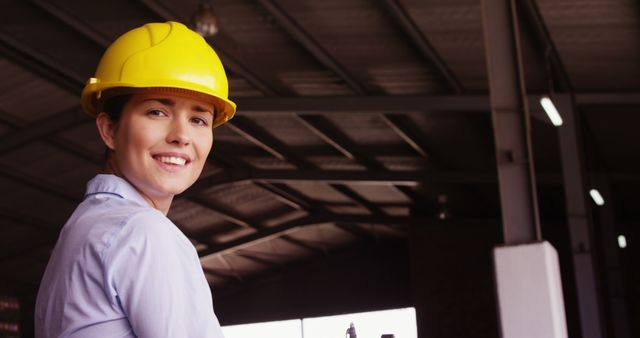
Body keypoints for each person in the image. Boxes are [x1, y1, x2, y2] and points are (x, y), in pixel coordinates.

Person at [34, 21, 236, 337]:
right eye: (157, 112)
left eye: (198, 119)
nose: (182, 136)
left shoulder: (84, 226)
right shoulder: (143, 232)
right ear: (109, 129)